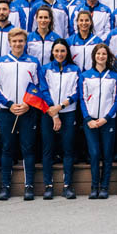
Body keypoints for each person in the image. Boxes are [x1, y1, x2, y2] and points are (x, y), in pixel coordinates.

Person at [0, 28, 42, 200]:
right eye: (15, 41)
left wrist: (29, 104)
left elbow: (38, 86)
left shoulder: (33, 62)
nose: (18, 44)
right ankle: (5, 186)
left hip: (28, 111)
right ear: (9, 42)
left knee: (28, 148)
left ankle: (29, 186)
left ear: (25, 42)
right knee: (7, 148)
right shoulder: (0, 62)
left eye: (21, 41)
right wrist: (9, 104)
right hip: (8, 111)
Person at [79, 44, 117, 200]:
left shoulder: (114, 76)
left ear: (108, 57)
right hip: (90, 122)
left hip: (108, 121)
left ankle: (104, 187)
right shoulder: (85, 76)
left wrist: (106, 118)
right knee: (95, 153)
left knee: (107, 154)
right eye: (98, 54)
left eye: (104, 54)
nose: (101, 56)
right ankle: (94, 186)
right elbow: (82, 99)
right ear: (94, 56)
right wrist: (88, 118)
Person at [40, 40, 80, 199]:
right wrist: (54, 112)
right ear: (52, 52)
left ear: (67, 52)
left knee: (68, 149)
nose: (59, 54)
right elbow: (43, 90)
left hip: (68, 112)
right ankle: (48, 186)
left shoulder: (75, 69)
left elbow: (77, 92)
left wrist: (61, 106)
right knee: (48, 148)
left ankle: (67, 186)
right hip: (48, 112)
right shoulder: (45, 69)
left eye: (62, 51)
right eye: (56, 51)